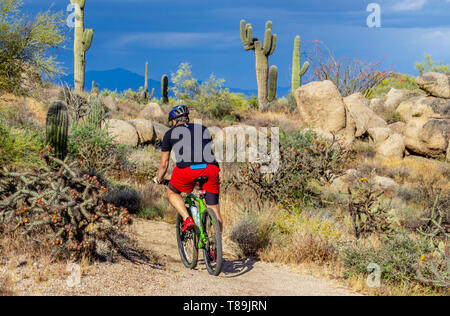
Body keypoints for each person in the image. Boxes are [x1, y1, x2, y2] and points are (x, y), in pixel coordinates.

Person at [153, 105, 222, 233]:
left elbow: (164, 164)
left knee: (172, 192)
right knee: (214, 209)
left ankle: (187, 219)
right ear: (187, 118)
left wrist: (159, 179)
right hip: (210, 168)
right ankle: (215, 249)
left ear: (174, 121)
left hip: (187, 171)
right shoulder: (202, 128)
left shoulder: (169, 134)